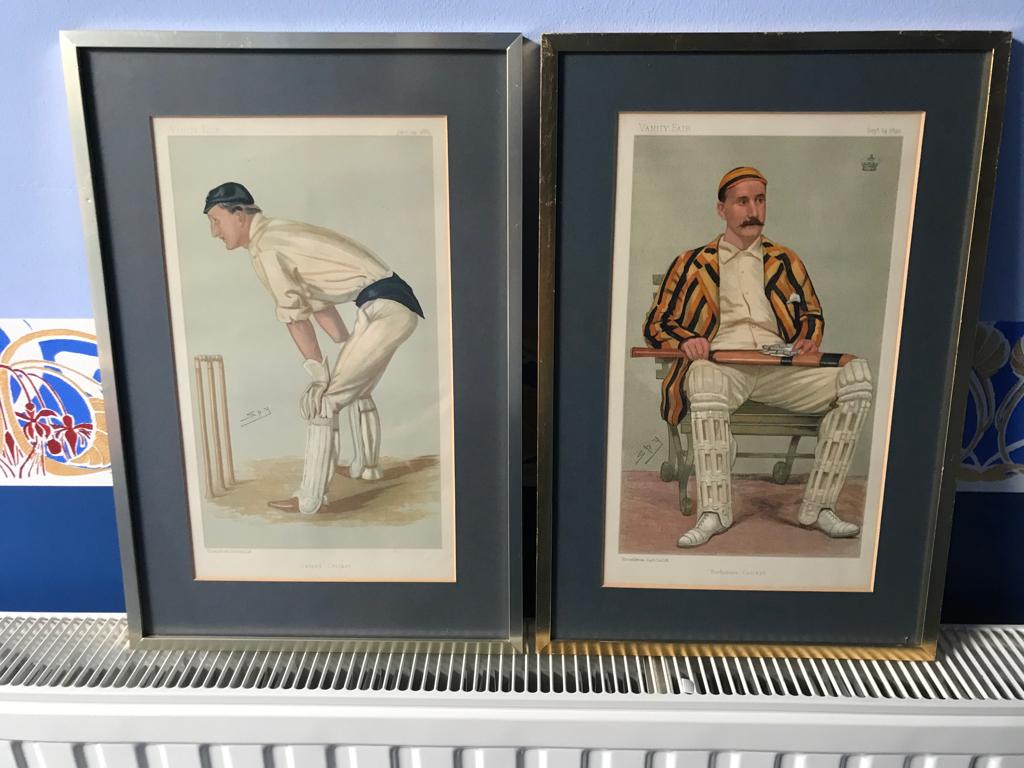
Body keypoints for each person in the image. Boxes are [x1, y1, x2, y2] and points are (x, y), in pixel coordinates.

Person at [643, 166, 873, 548]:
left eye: (760, 200)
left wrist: (807, 338)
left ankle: (819, 505)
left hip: (780, 369)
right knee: (702, 377)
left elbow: (811, 314)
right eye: (743, 202)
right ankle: (714, 511)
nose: (753, 211)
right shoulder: (691, 263)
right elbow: (657, 323)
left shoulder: (786, 260)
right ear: (721, 210)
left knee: (858, 377)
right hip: (722, 369)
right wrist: (687, 340)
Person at [204, 181, 423, 514]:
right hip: (389, 306)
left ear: (240, 215)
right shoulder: (278, 233)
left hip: (385, 309)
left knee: (323, 403)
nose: (214, 232)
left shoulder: (266, 248)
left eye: (216, 221)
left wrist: (320, 376)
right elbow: (319, 305)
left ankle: (309, 499)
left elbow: (295, 316)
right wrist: (344, 351)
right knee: (356, 387)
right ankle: (366, 467)